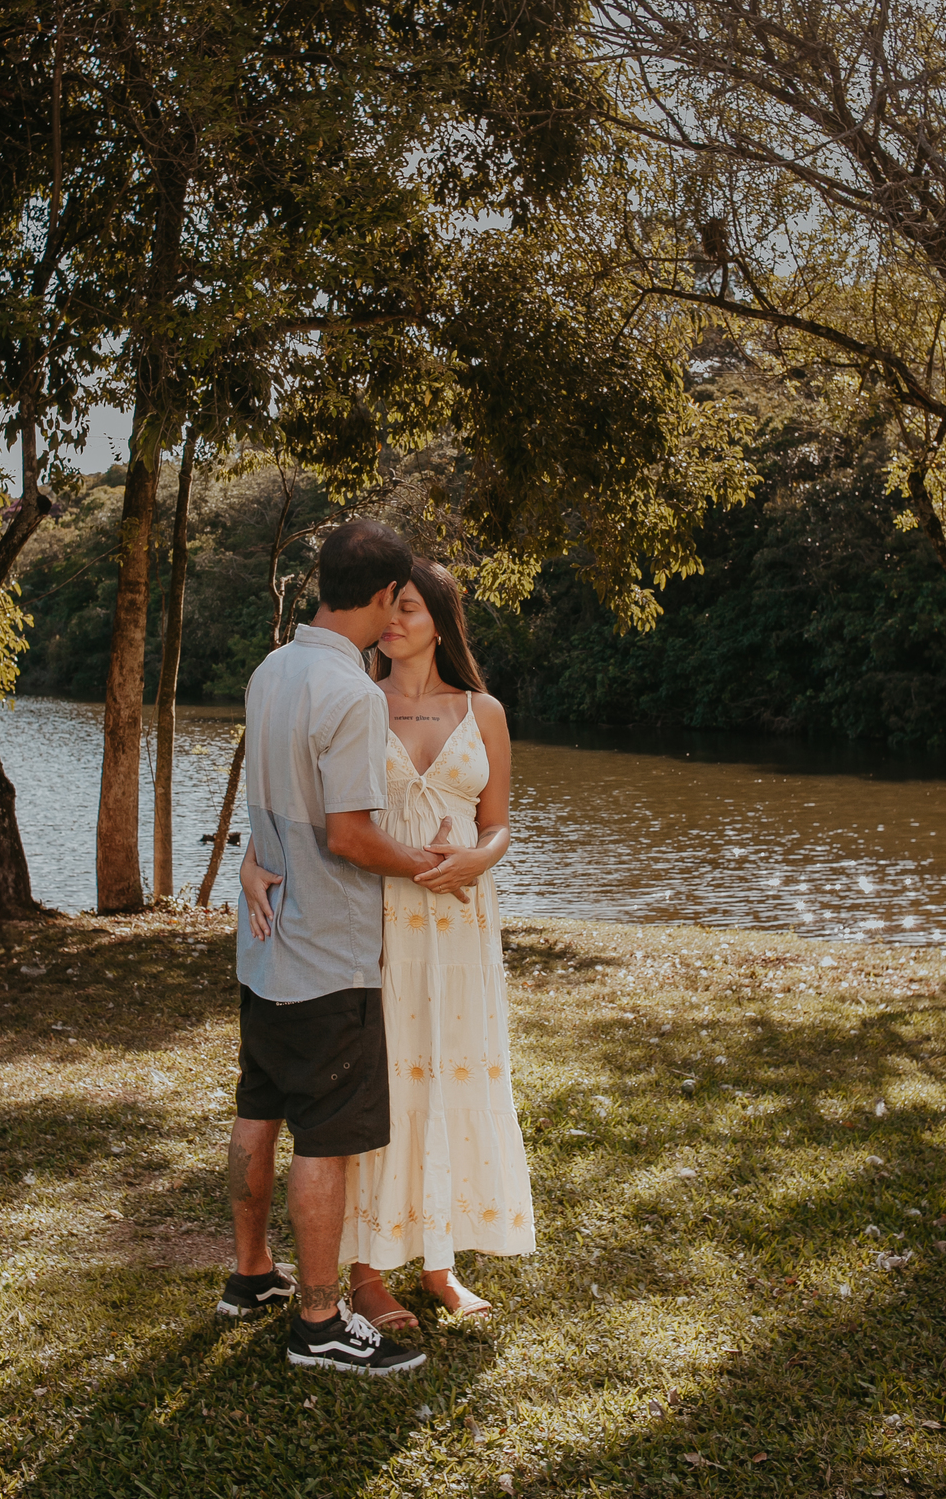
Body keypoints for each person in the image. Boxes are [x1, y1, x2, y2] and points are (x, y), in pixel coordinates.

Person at [219, 519, 443, 1377]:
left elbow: (270, 799)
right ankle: (318, 1322)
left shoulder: (274, 667)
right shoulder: (351, 694)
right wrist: (429, 865)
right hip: (326, 954)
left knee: (259, 1105)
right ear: (387, 598)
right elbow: (350, 837)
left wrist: (252, 857)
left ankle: (249, 1277)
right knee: (327, 1136)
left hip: (266, 947)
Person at [340, 557, 535, 1328]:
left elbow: (498, 823)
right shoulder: (358, 702)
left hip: (461, 924)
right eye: (386, 607)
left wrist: (478, 860)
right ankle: (364, 1272)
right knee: (384, 1080)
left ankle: (440, 1264)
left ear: (440, 619)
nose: (392, 621)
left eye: (409, 608)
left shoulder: (482, 710)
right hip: (381, 912)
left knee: (451, 1077)